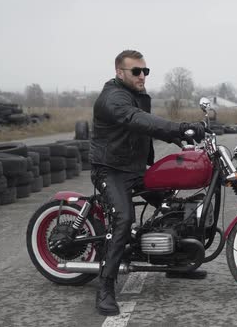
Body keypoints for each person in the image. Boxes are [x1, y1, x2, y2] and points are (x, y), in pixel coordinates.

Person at [89, 50, 206, 316]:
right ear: (120, 73)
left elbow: (145, 128)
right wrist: (180, 127)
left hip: (134, 169)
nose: (143, 76)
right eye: (136, 71)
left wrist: (180, 140)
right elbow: (134, 119)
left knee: (172, 205)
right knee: (123, 218)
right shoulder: (113, 98)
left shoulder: (137, 95)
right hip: (110, 170)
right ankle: (105, 287)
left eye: (145, 71)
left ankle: (179, 263)